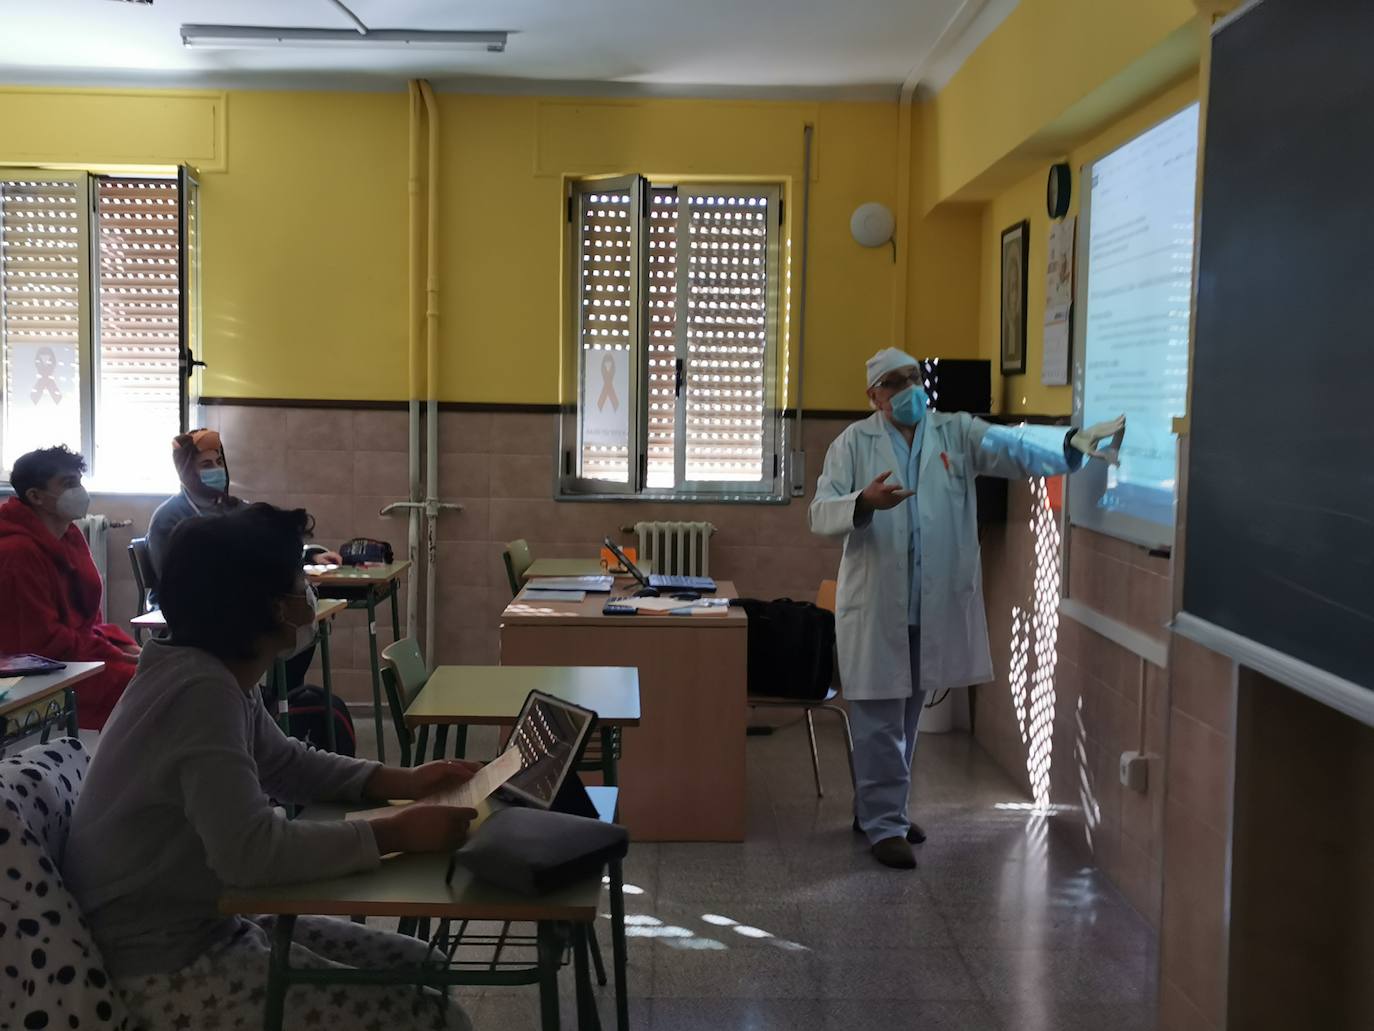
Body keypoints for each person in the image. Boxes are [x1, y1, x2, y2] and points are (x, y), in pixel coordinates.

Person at [64, 503, 476, 1031]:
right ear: (264, 607)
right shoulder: (199, 693)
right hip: (160, 962)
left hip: (208, 921)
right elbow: (251, 854)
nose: (307, 592)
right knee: (437, 1019)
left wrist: (402, 781)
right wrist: (394, 832)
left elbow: (283, 762)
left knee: (427, 965)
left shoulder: (214, 671)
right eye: (296, 581)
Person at [809, 348, 1124, 869]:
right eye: (895, 382)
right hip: (876, 607)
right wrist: (863, 502)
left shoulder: (953, 431)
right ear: (874, 396)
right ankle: (884, 825)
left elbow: (1011, 445)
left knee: (907, 717)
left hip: (927, 607)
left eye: (913, 377)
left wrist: (1069, 444)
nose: (909, 388)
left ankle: (880, 809)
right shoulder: (851, 444)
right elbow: (821, 514)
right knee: (877, 719)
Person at [147, 428, 340, 691]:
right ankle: (269, 703)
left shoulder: (235, 506)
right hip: (193, 612)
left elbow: (269, 544)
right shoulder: (168, 518)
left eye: (219, 462)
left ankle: (283, 700)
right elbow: (178, 582)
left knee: (299, 623)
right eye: (206, 464)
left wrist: (310, 554)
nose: (216, 469)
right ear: (185, 471)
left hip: (238, 599)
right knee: (278, 623)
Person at [0, 445, 139, 729]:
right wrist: (113, 654)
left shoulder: (69, 534)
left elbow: (85, 622)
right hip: (44, 670)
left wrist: (121, 645)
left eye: (79, 481)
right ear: (35, 496)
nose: (79, 491)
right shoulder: (17, 552)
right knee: (154, 688)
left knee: (160, 672)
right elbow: (39, 642)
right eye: (68, 484)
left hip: (74, 657)